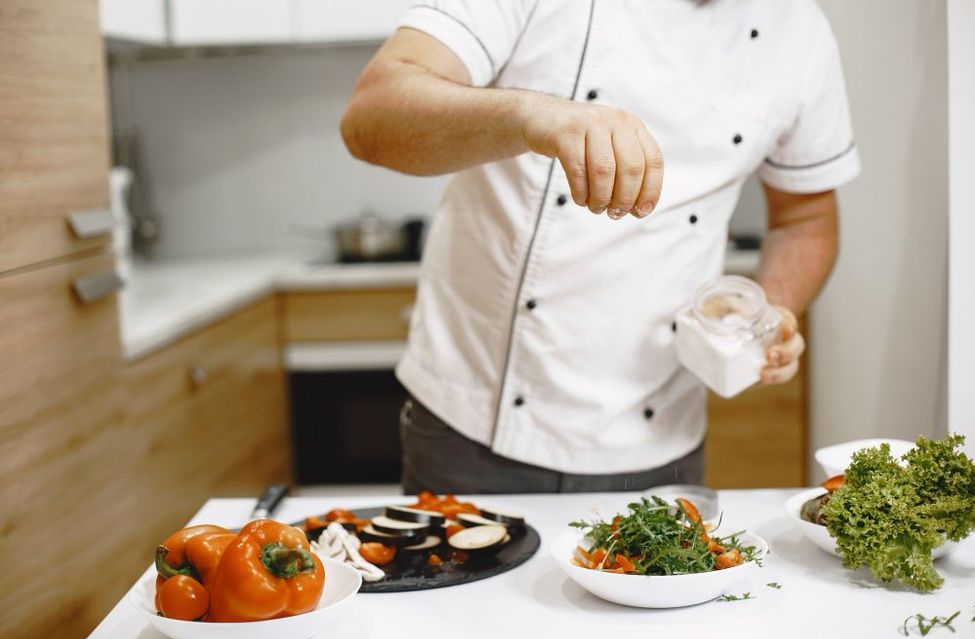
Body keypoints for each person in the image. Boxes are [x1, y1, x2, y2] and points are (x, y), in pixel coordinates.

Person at [341, 0, 859, 494]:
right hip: (472, 432)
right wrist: (533, 117)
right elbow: (371, 117)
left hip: (663, 441)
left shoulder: (799, 31)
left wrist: (768, 317)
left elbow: (806, 220)